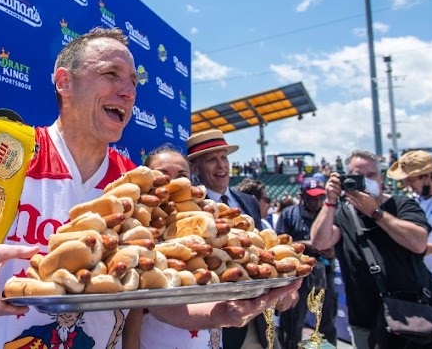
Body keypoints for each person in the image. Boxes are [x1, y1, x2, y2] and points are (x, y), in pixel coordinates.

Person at [0, 28, 299, 348]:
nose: (128, 92)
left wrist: (221, 312)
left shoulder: (137, 183)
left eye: (133, 83)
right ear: (64, 82)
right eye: (111, 75)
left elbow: (156, 296)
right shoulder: (6, 150)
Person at [310, 149, 432, 349]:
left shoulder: (403, 204)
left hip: (413, 315)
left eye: (370, 176)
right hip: (365, 320)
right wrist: (330, 201)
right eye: (358, 177)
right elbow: (319, 242)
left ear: (380, 177)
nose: (365, 181)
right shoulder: (343, 213)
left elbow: (418, 242)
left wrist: (374, 212)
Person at [123, 143, 221, 348]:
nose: (173, 181)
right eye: (163, 174)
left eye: (181, 174)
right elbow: (132, 310)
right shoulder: (136, 226)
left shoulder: (210, 221)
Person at [186, 129, 267, 349]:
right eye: (212, 160)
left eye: (224, 158)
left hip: (256, 323)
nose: (221, 165)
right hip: (213, 322)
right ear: (195, 168)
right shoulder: (190, 208)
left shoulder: (249, 202)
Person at [275, 178, 337, 349]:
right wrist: (307, 245)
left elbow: (342, 241)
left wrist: (332, 250)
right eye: (311, 197)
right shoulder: (288, 214)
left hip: (324, 275)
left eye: (319, 197)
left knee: (326, 325)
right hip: (297, 279)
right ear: (301, 196)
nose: (316, 201)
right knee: (293, 326)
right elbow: (278, 245)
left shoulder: (329, 213)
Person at [387, 150, 432, 282]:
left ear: (427, 176)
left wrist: (426, 248)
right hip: (422, 281)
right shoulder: (413, 201)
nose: (409, 185)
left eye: (411, 179)